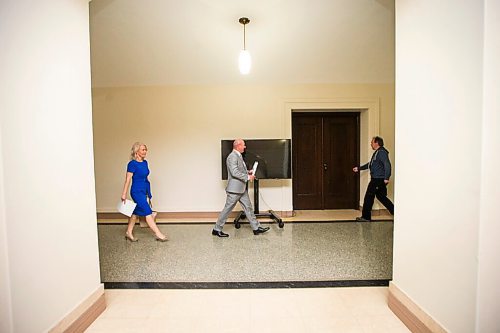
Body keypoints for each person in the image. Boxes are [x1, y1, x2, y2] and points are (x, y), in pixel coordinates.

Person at [212, 139, 270, 237]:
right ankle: (217, 229)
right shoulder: (232, 157)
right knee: (227, 209)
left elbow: (239, 170)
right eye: (243, 145)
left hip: (241, 188)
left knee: (248, 208)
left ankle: (256, 228)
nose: (245, 147)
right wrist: (248, 177)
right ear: (238, 145)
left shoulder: (238, 156)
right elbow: (234, 172)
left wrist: (248, 172)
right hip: (234, 190)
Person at [121, 142, 168, 242]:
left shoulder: (145, 162)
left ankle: (128, 232)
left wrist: (148, 192)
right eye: (143, 149)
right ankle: (158, 234)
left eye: (146, 149)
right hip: (136, 191)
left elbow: (146, 178)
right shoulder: (132, 164)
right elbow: (128, 179)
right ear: (136, 152)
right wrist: (124, 194)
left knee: (135, 213)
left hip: (143, 191)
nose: (145, 151)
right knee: (147, 212)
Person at [353, 136, 394, 222]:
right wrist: (359, 168)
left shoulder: (382, 152)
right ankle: (396, 213)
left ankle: (366, 217)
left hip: (377, 179)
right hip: (378, 179)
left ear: (376, 143)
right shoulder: (377, 152)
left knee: (369, 196)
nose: (371, 144)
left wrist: (387, 177)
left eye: (372, 142)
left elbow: (387, 164)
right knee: (381, 197)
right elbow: (370, 164)